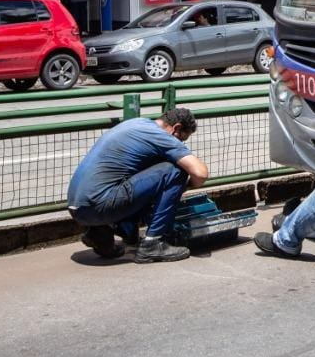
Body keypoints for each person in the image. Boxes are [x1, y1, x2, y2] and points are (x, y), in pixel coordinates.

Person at [66, 108, 210, 263]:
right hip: (98, 205)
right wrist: (185, 186)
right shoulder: (161, 137)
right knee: (176, 171)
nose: (179, 143)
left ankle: (100, 232)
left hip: (78, 208)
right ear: (176, 128)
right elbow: (200, 174)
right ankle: (153, 243)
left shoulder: (137, 123)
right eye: (181, 139)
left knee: (149, 167)